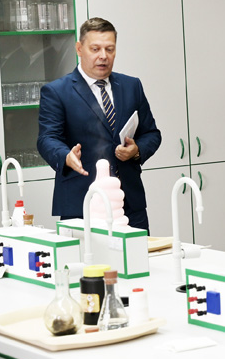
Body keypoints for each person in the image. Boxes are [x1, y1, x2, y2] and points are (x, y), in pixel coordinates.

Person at [37, 17, 162, 231]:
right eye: (95, 49)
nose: (103, 56)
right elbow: (47, 138)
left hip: (129, 205)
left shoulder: (132, 86)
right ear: (79, 48)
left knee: (139, 254)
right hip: (82, 204)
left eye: (109, 49)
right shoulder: (57, 92)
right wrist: (65, 156)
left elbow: (151, 133)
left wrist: (137, 150)